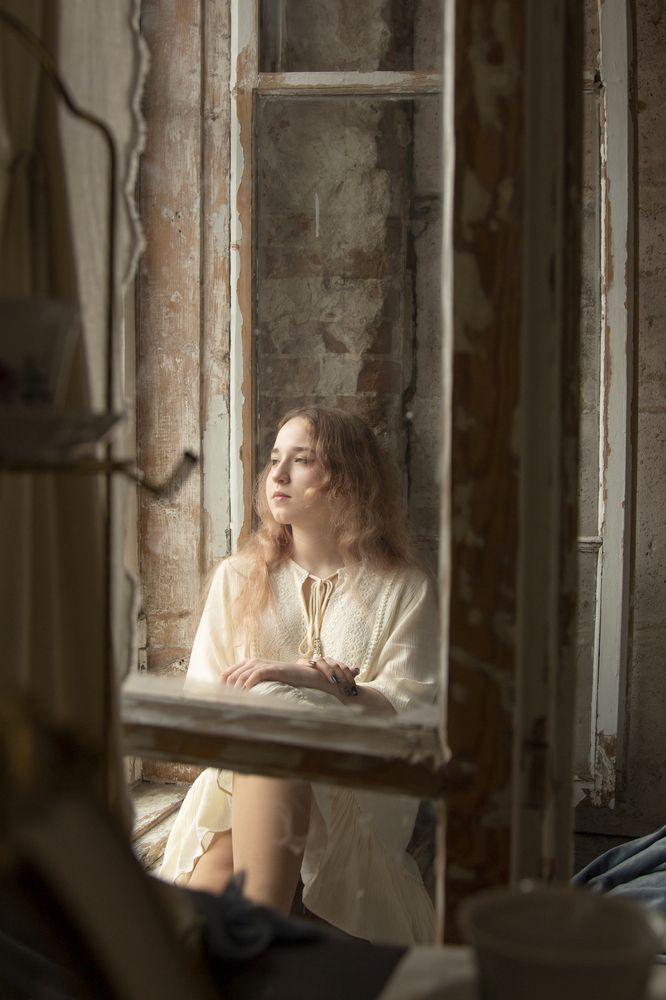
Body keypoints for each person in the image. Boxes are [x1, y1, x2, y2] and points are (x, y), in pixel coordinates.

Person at [159, 405, 439, 946]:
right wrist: (279, 692)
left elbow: (410, 712)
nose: (278, 475)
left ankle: (250, 945)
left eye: (302, 460)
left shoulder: (404, 587)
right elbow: (200, 708)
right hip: (243, 774)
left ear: (348, 478)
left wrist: (315, 682)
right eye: (273, 460)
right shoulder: (239, 576)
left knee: (275, 728)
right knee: (268, 734)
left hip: (359, 785)